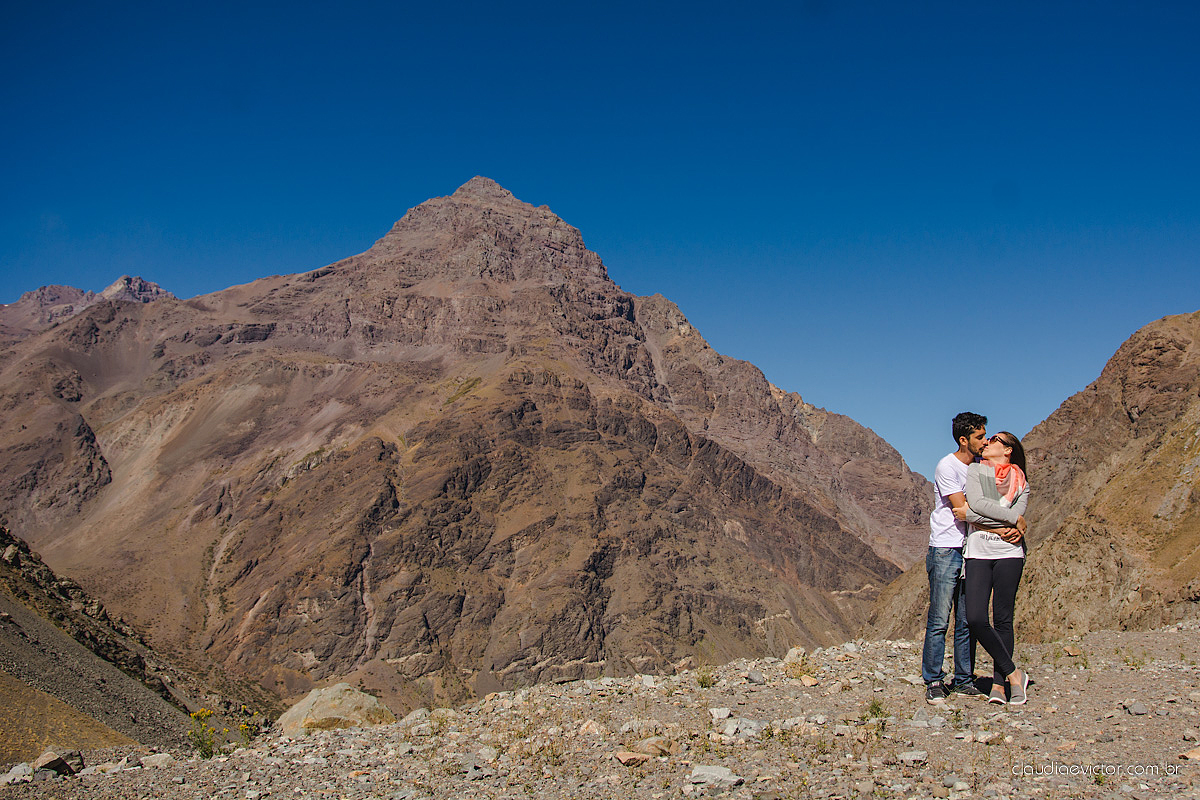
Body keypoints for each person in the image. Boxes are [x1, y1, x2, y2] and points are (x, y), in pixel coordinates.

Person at [955, 431, 1031, 705]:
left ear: (1008, 450)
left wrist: (977, 516)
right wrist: (1012, 519)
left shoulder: (1022, 482)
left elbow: (973, 513)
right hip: (978, 552)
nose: (987, 443)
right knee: (975, 617)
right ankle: (1014, 673)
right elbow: (975, 505)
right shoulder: (977, 471)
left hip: (1010, 553)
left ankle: (1000, 685)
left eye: (995, 439)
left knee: (1003, 619)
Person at [922, 412, 987, 704]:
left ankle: (963, 679)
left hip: (972, 548)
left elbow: (983, 507)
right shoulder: (947, 467)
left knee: (966, 619)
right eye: (979, 437)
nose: (984, 442)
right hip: (946, 549)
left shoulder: (980, 468)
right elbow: (963, 507)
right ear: (964, 440)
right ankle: (933, 679)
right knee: (939, 619)